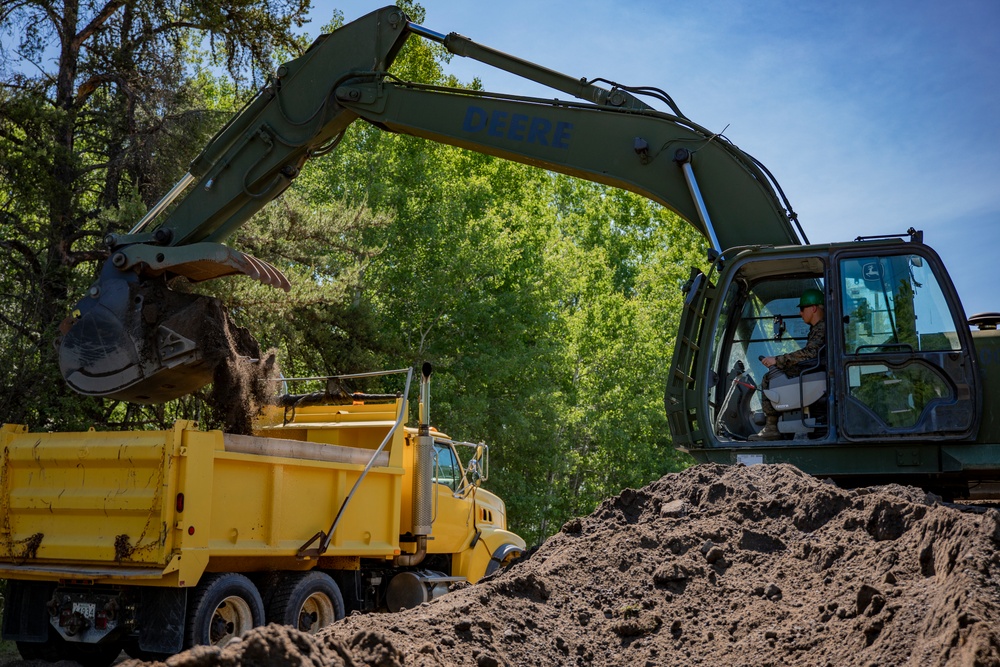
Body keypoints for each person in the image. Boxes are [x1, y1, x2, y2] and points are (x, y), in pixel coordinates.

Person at [749, 287, 826, 441]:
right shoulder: (819, 328)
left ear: (813, 308)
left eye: (802, 309)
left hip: (813, 371)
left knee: (769, 378)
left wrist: (777, 361)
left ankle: (771, 427)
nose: (800, 313)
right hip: (814, 369)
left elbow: (810, 354)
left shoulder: (822, 328)